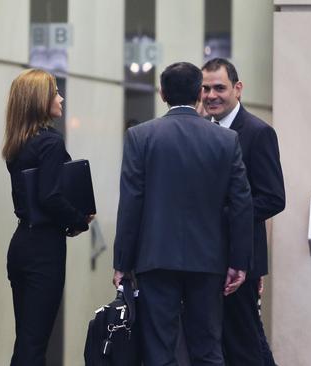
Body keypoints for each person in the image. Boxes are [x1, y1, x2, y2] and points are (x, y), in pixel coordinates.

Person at [112, 61, 253, 366]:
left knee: (159, 349)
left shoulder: (141, 136)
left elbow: (131, 203)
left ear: (162, 93)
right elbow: (242, 204)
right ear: (199, 93)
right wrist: (239, 262)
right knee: (207, 347)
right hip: (209, 261)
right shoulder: (226, 141)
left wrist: (123, 262)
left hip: (155, 260)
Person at [2, 69, 93, 366]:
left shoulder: (18, 143)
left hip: (21, 245)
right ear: (39, 99)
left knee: (26, 339)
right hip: (44, 248)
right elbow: (50, 196)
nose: (61, 98)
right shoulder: (51, 142)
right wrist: (79, 220)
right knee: (34, 345)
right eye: (55, 92)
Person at [201, 58, 285, 366]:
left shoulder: (257, 132)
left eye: (219, 88)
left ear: (238, 89)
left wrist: (222, 213)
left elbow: (274, 198)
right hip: (206, 260)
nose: (211, 95)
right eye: (205, 88)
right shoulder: (203, 131)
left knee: (243, 345)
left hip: (241, 261)